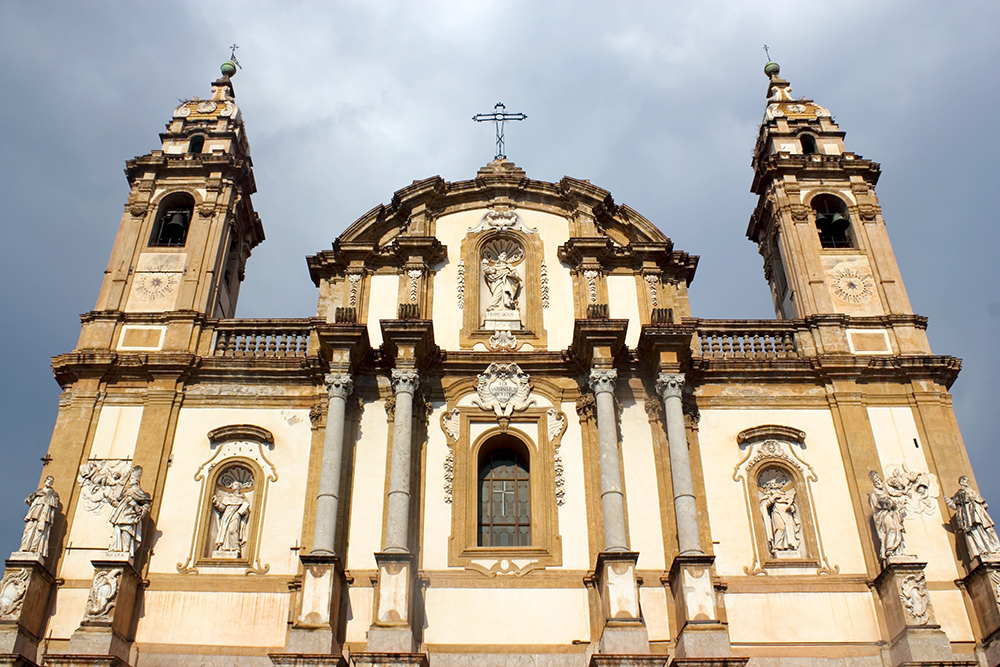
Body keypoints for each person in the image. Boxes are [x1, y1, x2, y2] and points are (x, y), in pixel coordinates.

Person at [946, 476, 1000, 560]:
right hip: (968, 516)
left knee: (988, 530)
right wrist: (947, 501)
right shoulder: (959, 494)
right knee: (974, 531)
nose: (966, 482)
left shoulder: (972, 492)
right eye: (964, 480)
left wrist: (981, 508)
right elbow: (955, 506)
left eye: (967, 480)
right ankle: (982, 549)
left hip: (979, 514)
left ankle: (995, 548)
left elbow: (983, 503)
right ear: (960, 482)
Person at [108, 465, 151, 557]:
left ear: (136, 480)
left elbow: (146, 505)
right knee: (117, 532)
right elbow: (118, 499)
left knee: (127, 533)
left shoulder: (137, 491)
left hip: (129, 517)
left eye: (131, 478)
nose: (130, 480)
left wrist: (135, 506)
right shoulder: (126, 491)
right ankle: (116, 550)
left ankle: (125, 551)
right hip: (120, 516)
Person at [869, 470, 907, 561]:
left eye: (879, 480)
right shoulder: (875, 494)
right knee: (891, 528)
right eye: (876, 482)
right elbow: (877, 507)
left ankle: (896, 550)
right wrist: (887, 503)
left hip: (891, 514)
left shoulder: (885, 493)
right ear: (874, 484)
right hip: (883, 515)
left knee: (896, 528)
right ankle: (889, 549)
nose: (878, 483)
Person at [19, 476, 59, 557]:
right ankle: (25, 547)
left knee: (40, 531)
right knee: (28, 529)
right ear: (45, 481)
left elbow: (54, 504)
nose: (49, 482)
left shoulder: (53, 495)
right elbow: (28, 500)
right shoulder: (38, 492)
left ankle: (35, 548)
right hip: (34, 513)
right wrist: (35, 496)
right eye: (48, 480)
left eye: (51, 481)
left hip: (43, 515)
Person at [760, 476, 800, 553]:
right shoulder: (770, 495)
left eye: (777, 487)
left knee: (789, 528)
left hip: (787, 514)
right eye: (773, 487)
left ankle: (788, 546)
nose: (776, 489)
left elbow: (792, 506)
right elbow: (764, 505)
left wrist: (791, 508)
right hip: (777, 512)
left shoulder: (784, 496)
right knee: (781, 527)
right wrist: (773, 498)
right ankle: (778, 546)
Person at [213, 480, 251, 556]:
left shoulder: (242, 498)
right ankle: (224, 548)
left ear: (239, 487)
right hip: (226, 516)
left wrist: (242, 511)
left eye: (236, 484)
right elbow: (222, 508)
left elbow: (246, 510)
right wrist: (216, 502)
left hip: (236, 515)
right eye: (233, 484)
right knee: (226, 531)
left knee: (232, 530)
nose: (233, 485)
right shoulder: (227, 497)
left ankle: (236, 547)